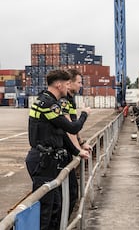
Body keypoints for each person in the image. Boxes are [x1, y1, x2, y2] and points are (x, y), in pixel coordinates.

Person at [25, 69, 90, 230]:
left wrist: (77, 151)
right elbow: (71, 128)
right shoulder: (48, 104)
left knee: (55, 206)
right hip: (43, 160)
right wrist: (84, 114)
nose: (68, 87)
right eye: (67, 84)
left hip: (48, 160)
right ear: (59, 84)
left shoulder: (48, 101)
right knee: (46, 210)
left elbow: (61, 133)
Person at [60, 68, 92, 217]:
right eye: (79, 82)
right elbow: (70, 128)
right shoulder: (64, 101)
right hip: (56, 154)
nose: (81, 85)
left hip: (65, 151)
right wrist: (78, 151)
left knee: (72, 192)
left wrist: (81, 143)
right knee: (67, 195)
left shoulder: (70, 101)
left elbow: (72, 129)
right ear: (69, 83)